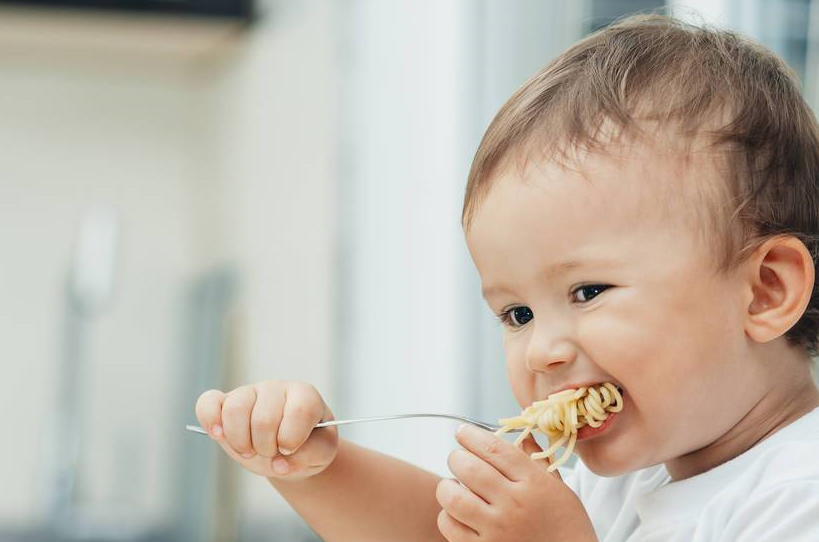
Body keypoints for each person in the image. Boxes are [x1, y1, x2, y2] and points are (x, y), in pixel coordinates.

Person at [195, 13, 819, 541]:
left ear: (765, 291)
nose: (542, 352)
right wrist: (316, 469)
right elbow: (437, 530)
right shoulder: (634, 473)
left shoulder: (798, 498)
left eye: (587, 292)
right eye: (516, 314)